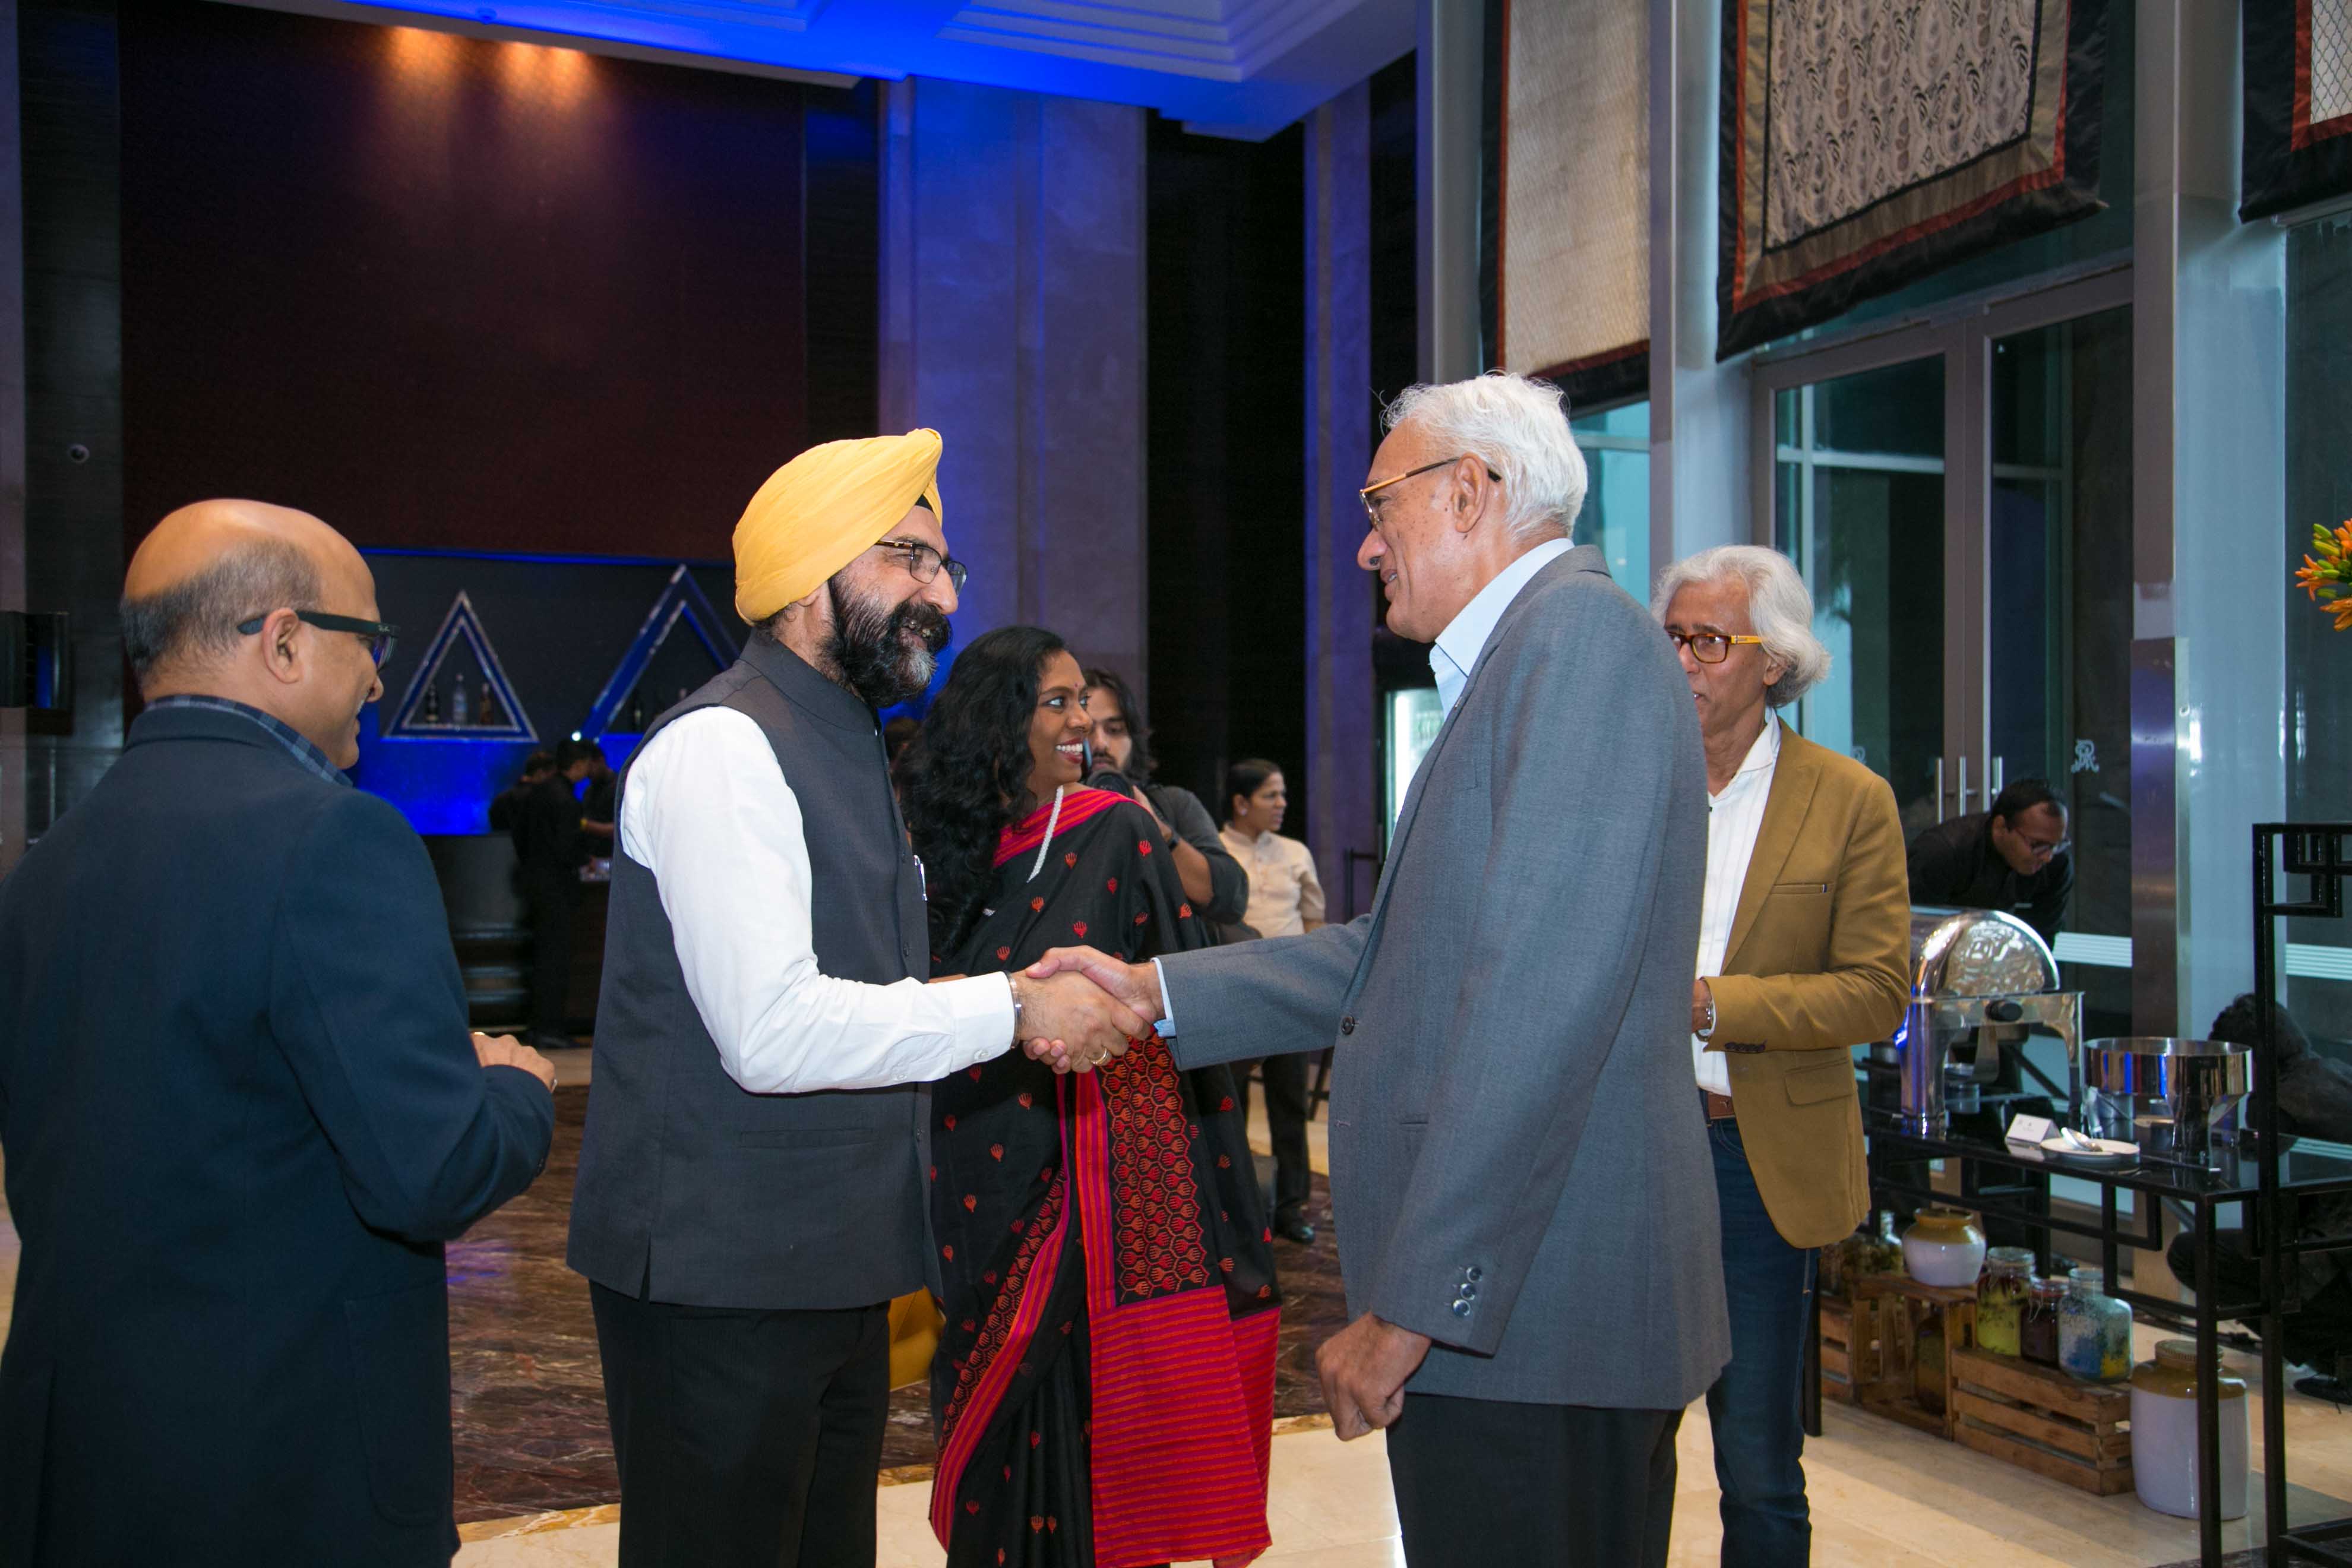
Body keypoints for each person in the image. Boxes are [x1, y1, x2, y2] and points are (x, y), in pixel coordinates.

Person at [1030, 372, 1728, 1568]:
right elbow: (1397, 954)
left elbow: (1539, 1011)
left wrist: (1411, 1311)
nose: (1364, 547)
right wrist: (1154, 994)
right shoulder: (1530, 657)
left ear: (1469, 493)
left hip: (1534, 1319)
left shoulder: (1579, 645)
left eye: (1378, 504)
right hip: (1517, 1312)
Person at [565, 430, 1150, 1568]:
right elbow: (771, 1030)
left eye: (946, 566)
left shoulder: (842, 741)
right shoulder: (725, 746)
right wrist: (1012, 1008)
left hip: (834, 1272)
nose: (943, 595)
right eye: (907, 559)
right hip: (719, 1283)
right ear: (805, 575)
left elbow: (862, 995)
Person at [0, 499, 556, 1566]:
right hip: (280, 1471)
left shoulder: (48, 865)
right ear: (287, 641)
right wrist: (514, 1088)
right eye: (372, 640)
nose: (381, 681)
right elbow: (431, 1172)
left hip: (86, 1462)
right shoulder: (337, 839)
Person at [898, 626, 1278, 1568]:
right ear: (998, 721)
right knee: (986, 1418)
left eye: (1088, 706)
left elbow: (1177, 992)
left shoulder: (1116, 830)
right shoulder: (945, 844)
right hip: (968, 1173)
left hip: (1083, 1185)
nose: (1082, 727)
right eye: (1057, 703)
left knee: (1075, 1408)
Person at [1656, 545, 1910, 1567]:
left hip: (1753, 1160)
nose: (1682, 661)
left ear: (1775, 660)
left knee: (1757, 1457)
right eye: (1671, 639)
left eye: (1707, 642)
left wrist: (1714, 1005)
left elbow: (1877, 989)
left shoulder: (1848, 799)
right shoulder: (1630, 782)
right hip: (1629, 1146)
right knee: (1622, 1439)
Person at [2167, 995, 2352, 1383]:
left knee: (2190, 1253)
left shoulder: (2276, 1101)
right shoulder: (2338, 1072)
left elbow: (2262, 1187)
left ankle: (2337, 1357)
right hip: (2340, 1258)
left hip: (2329, 1266)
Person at [1218, 757, 1323, 1245]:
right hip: (1233, 994)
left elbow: (1314, 919)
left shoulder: (1296, 853)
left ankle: (1290, 1207)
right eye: (1270, 795)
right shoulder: (1214, 852)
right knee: (1230, 1105)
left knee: (1289, 1103)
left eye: (1283, 794)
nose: (1282, 804)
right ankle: (1237, 1208)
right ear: (1241, 803)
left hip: (1289, 993)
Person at [1079, 665, 1248, 928]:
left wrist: (1162, 834)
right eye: (1087, 730)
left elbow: (1231, 900)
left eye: (1115, 730)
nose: (1100, 743)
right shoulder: (1048, 811)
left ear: (1134, 739)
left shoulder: (1174, 804)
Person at [1906, 777, 2073, 947]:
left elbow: (2041, 940)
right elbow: (1913, 932)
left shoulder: (2057, 863)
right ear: (2001, 826)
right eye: (2037, 845)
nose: (2048, 857)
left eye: (2056, 845)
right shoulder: (1942, 853)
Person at [511, 737, 598, 1049]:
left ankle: (539, 1027)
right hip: (557, 890)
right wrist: (585, 859)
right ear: (579, 765)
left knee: (542, 959)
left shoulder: (538, 793)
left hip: (534, 886)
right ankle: (552, 1029)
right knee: (556, 960)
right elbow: (566, 848)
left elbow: (520, 837)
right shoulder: (567, 801)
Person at [491, 747, 555, 832]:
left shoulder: (501, 799)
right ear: (540, 774)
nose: (554, 782)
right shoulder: (542, 801)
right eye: (552, 776)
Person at [579, 744, 618, 848]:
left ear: (601, 760)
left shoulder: (620, 788)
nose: (587, 772)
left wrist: (584, 825)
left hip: (612, 853)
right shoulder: (588, 791)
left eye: (590, 766)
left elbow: (621, 829)